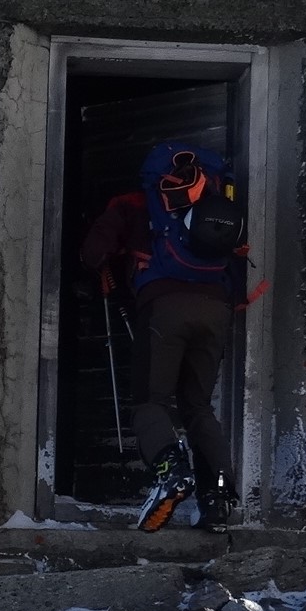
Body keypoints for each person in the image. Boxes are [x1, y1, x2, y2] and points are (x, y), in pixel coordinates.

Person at [77, 140, 241, 530]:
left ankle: (171, 470)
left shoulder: (134, 203)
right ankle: (218, 497)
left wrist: (105, 268)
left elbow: (92, 252)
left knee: (151, 402)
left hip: (164, 308)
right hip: (216, 308)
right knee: (198, 406)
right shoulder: (216, 203)